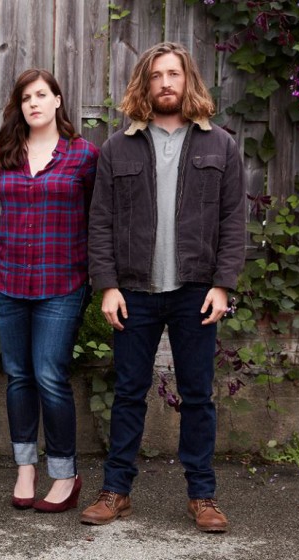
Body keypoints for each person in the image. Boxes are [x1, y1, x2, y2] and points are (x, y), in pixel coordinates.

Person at [82, 42, 246, 532]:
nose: (166, 83)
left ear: (188, 80)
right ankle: (117, 490)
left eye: (174, 74)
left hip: (197, 290)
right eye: (156, 76)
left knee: (198, 395)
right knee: (130, 392)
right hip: (134, 290)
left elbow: (234, 221)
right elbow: (101, 222)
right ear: (145, 84)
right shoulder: (118, 147)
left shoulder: (221, 144)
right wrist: (107, 285)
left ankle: (203, 495)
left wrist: (223, 284)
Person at [0, 69, 98, 513]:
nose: (33, 103)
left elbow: (99, 218)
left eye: (41, 95)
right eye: (25, 97)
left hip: (62, 282)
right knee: (18, 376)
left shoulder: (84, 155)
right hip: (8, 280)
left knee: (50, 375)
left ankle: (65, 474)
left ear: (57, 100)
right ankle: (24, 469)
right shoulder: (5, 154)